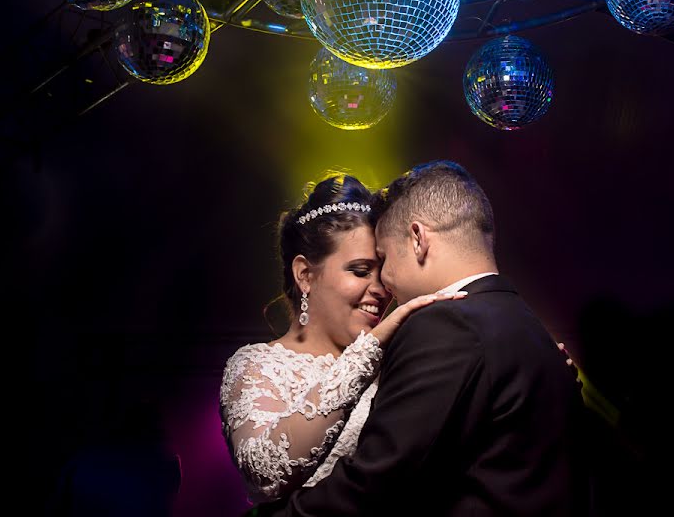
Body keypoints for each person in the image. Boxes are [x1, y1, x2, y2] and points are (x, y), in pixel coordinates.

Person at [258, 160, 591, 516]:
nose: (384, 282)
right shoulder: (532, 329)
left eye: (383, 258)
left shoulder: (445, 324)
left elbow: (376, 485)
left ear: (418, 238)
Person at [219, 174, 466, 506]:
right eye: (361, 271)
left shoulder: (401, 363)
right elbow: (265, 473)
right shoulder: (256, 367)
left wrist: (516, 368)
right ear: (305, 274)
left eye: (383, 271)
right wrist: (368, 352)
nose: (380, 290)